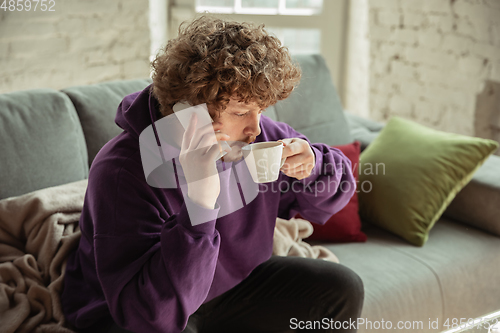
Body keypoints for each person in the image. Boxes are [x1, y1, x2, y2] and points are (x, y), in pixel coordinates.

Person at [61, 15, 364, 333]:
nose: (256, 128)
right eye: (240, 112)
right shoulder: (123, 171)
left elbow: (328, 198)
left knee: (341, 288)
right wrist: (201, 202)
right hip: (147, 307)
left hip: (230, 286)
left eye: (260, 110)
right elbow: (149, 316)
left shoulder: (258, 139)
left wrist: (313, 165)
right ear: (188, 111)